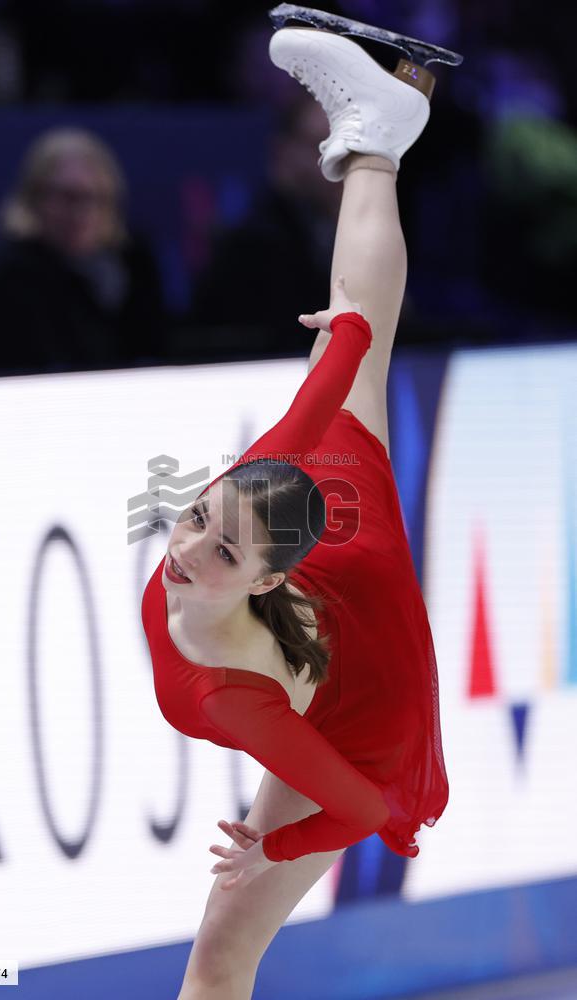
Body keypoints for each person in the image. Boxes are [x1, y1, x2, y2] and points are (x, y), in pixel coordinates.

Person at [140, 24, 450, 1000]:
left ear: (265, 574)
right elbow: (337, 370)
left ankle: (381, 130)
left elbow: (358, 803)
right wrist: (347, 333)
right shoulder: (254, 500)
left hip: (362, 700)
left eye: (218, 547)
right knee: (350, 337)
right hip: (327, 553)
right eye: (194, 515)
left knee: (220, 958)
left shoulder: (242, 696)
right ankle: (375, 136)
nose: (184, 548)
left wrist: (276, 840)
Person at [0, 127, 166, 379]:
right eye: (67, 197)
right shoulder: (12, 278)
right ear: (34, 198)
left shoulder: (135, 264)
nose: (81, 213)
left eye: (94, 197)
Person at [189, 94, 341, 355]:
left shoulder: (344, 230)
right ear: (283, 151)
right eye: (322, 145)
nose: (335, 161)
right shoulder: (254, 242)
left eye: (344, 146)